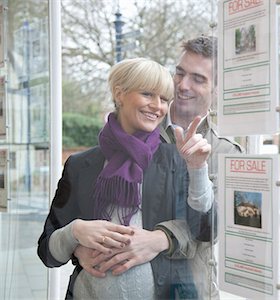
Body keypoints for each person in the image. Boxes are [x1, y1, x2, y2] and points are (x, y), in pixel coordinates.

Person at [37, 58, 214, 300]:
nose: (157, 106)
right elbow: (47, 250)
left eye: (164, 99)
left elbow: (205, 228)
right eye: (148, 94)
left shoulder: (175, 158)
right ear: (120, 94)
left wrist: (159, 239)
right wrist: (75, 234)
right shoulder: (80, 165)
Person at [159, 35, 243, 299]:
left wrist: (159, 238)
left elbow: (213, 230)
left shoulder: (228, 152)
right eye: (180, 73)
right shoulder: (141, 130)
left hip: (194, 289)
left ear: (218, 89)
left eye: (198, 79)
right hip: (135, 283)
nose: (183, 85)